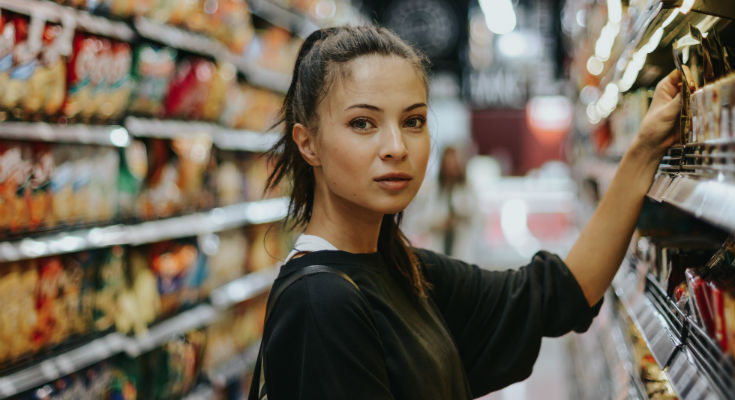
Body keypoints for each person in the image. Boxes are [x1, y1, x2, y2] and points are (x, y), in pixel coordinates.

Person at [252, 25, 682, 399]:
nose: (397, 147)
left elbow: (559, 293)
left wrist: (645, 149)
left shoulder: (403, 270)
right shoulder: (321, 302)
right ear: (308, 143)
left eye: (413, 121)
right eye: (363, 123)